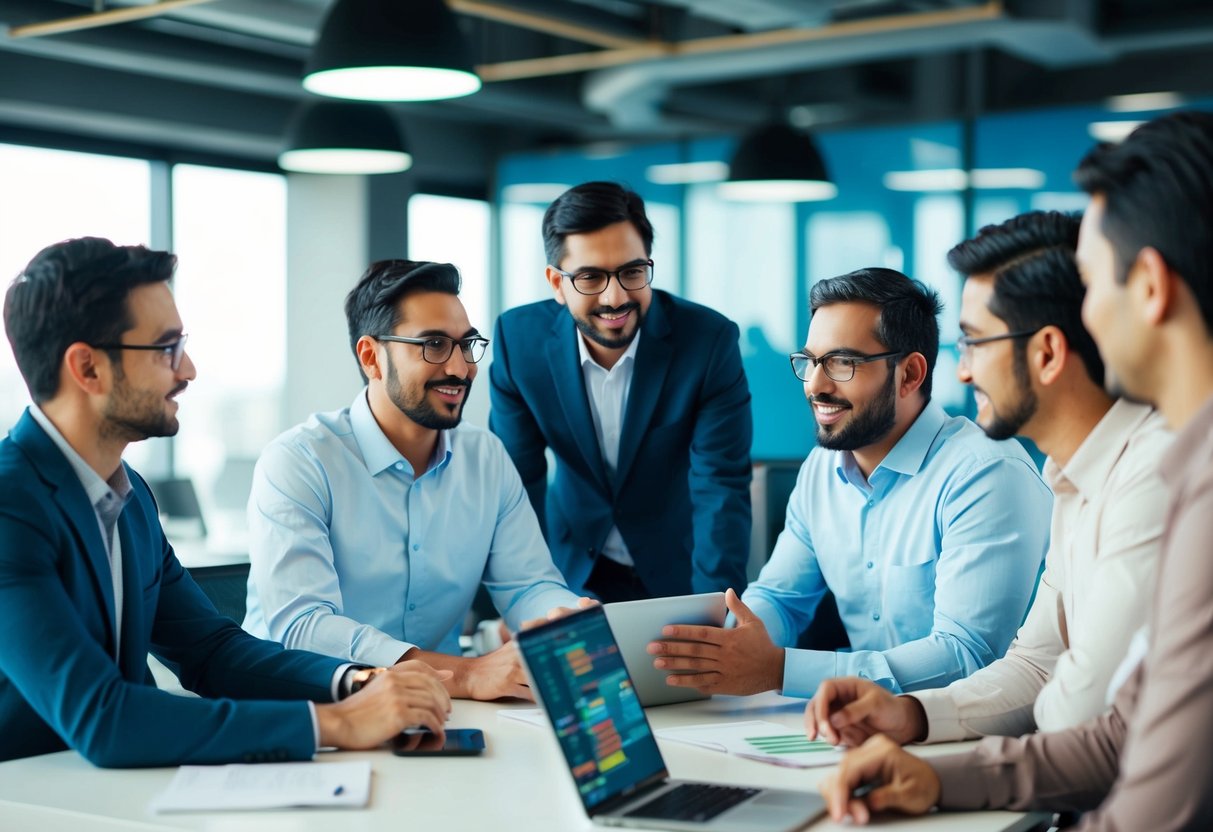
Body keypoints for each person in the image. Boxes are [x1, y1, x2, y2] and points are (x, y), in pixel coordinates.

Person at [819, 111, 1213, 830]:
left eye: (1094, 283)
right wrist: (917, 731)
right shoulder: (1079, 476)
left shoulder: (1173, 477)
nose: (961, 371)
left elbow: (1145, 790)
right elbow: (1076, 698)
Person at [0, 238, 451, 767]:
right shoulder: (11, 506)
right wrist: (340, 723)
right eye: (167, 348)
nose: (188, 370)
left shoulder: (130, 497)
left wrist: (355, 681)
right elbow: (105, 718)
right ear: (87, 368)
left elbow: (212, 653)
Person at [806, 211, 1170, 745]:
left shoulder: (1152, 476)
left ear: (1046, 351)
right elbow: (1037, 668)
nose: (962, 371)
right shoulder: (1071, 478)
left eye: (975, 343)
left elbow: (1080, 716)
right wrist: (910, 715)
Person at [648, 268, 1051, 698]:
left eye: (842, 363)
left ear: (910, 375)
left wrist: (780, 670)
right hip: (862, 727)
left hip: (972, 735)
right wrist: (725, 645)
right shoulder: (821, 471)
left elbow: (966, 657)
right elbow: (781, 599)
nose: (816, 386)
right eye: (811, 362)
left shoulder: (984, 473)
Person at [244, 259, 582, 702]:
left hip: (442, 711)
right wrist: (465, 674)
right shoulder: (299, 461)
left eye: (466, 345)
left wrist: (565, 619)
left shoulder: (486, 458)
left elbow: (529, 585)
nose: (461, 368)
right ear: (372, 358)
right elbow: (304, 627)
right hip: (308, 709)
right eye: (435, 345)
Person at [489, 181, 752, 601]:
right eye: (591, 277)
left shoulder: (707, 341)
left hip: (680, 568)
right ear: (556, 283)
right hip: (570, 566)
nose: (616, 297)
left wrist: (713, 611)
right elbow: (515, 485)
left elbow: (720, 485)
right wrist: (526, 598)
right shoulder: (518, 342)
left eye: (632, 272)